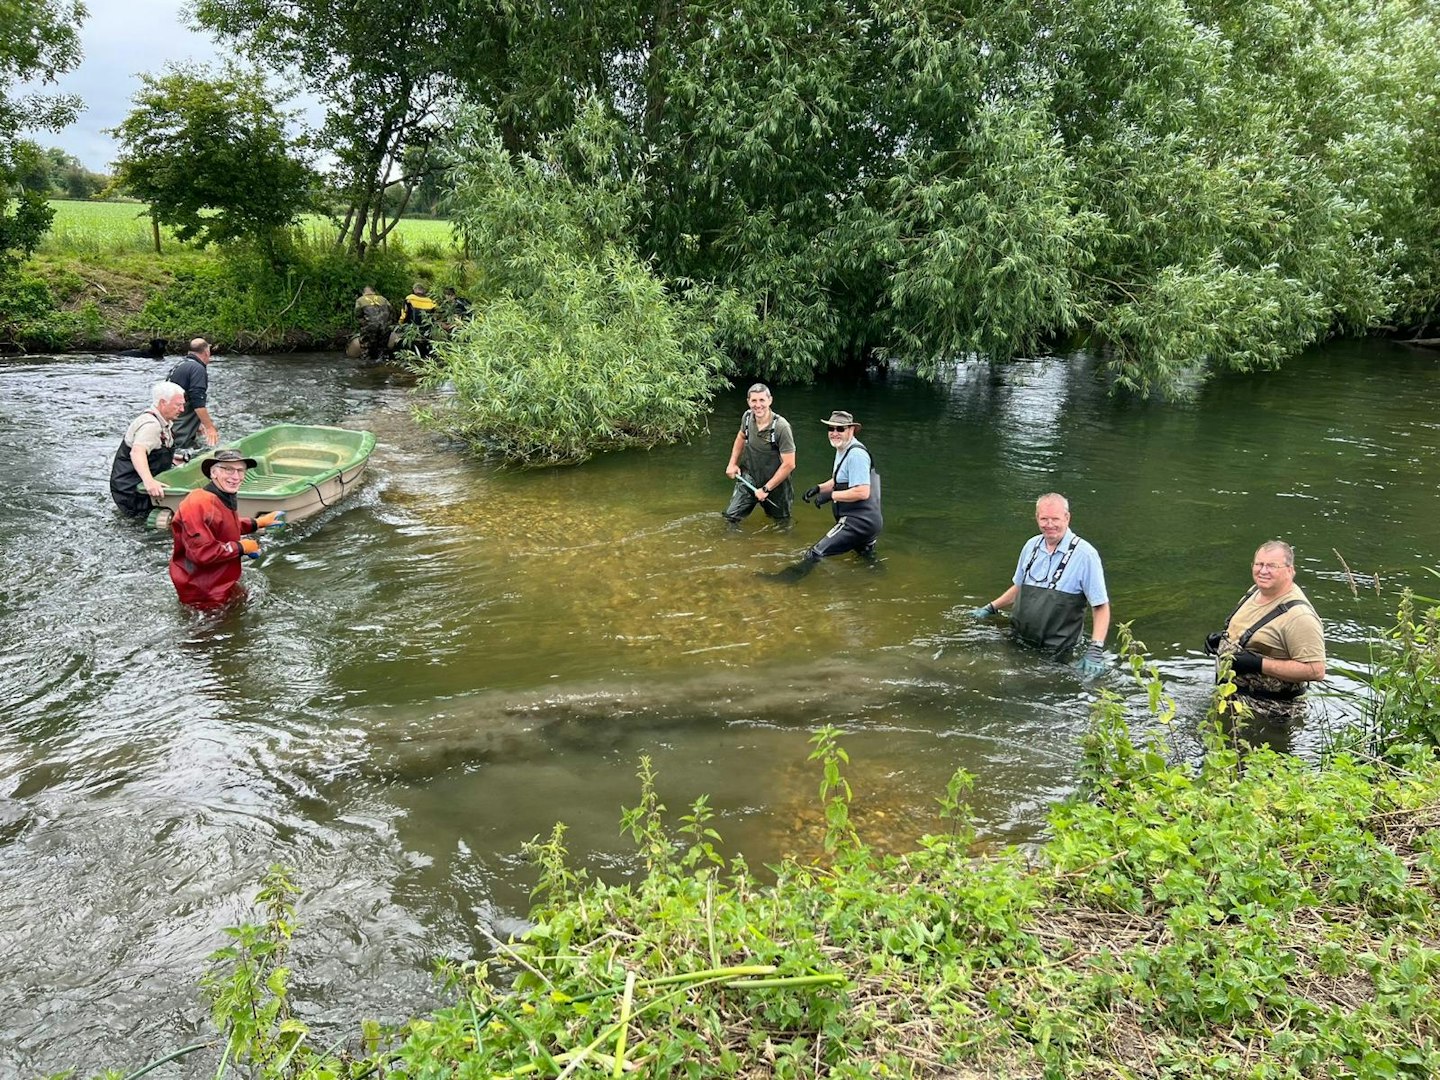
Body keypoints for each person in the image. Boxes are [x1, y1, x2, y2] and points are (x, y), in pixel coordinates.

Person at [970, 493, 1110, 676]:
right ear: (1037, 518)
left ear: (1067, 518)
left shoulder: (1086, 555)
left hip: (1056, 651)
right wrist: (990, 608)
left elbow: (1100, 606)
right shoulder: (1030, 546)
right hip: (1019, 638)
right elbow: (1019, 587)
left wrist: (1095, 649)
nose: (1049, 524)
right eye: (1044, 519)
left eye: (1055, 519)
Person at [1204, 540, 1325, 720]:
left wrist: (1258, 664)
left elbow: (1316, 670)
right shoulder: (1255, 591)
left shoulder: (1300, 616)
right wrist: (1221, 641)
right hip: (1231, 702)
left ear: (1290, 570)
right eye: (1259, 564)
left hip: (1269, 716)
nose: (1263, 571)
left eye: (1272, 566)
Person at [770, 410, 881, 581]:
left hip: (858, 521)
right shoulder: (844, 448)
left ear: (851, 430)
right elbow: (840, 479)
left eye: (840, 429)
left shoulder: (857, 455)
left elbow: (862, 491)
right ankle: (882, 583)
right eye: (831, 429)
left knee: (815, 552)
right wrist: (819, 488)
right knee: (867, 561)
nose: (834, 433)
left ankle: (786, 580)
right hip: (868, 522)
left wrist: (831, 496)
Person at [168, 449, 284, 608]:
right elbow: (202, 552)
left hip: (222, 582)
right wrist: (241, 547)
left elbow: (224, 524)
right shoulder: (197, 503)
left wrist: (257, 523)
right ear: (213, 473)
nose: (236, 477)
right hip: (202, 592)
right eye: (228, 469)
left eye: (240, 470)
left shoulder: (220, 495)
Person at [722, 383, 797, 526]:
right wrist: (732, 463)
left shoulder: (782, 427)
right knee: (731, 518)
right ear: (748, 402)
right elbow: (741, 437)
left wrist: (766, 488)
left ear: (770, 400)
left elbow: (789, 464)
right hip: (749, 478)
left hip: (776, 485)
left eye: (762, 400)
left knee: (781, 525)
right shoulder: (747, 417)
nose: (758, 405)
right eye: (754, 401)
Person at [109, 381, 185, 517]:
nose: (182, 410)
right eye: (178, 405)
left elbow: (152, 449)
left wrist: (170, 459)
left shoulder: (163, 421)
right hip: (132, 492)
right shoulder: (151, 425)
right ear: (163, 403)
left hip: (137, 487)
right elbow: (137, 452)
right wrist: (149, 482)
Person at [167, 338, 219, 453]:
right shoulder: (198, 369)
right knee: (181, 448)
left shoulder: (180, 365)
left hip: (169, 418)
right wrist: (210, 428)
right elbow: (198, 401)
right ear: (206, 352)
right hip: (181, 421)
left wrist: (198, 424)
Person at [395, 282, 440, 356]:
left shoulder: (409, 298)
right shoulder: (431, 301)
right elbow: (436, 316)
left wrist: (400, 323)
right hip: (427, 331)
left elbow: (404, 314)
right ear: (423, 290)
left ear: (414, 290)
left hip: (412, 329)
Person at [353, 286, 394, 362]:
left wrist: (364, 324)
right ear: (374, 292)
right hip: (385, 327)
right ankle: (383, 361)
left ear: (364, 293)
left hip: (370, 327)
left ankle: (366, 364)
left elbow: (357, 314)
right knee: (383, 348)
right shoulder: (382, 299)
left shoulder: (360, 300)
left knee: (366, 348)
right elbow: (391, 310)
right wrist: (388, 322)